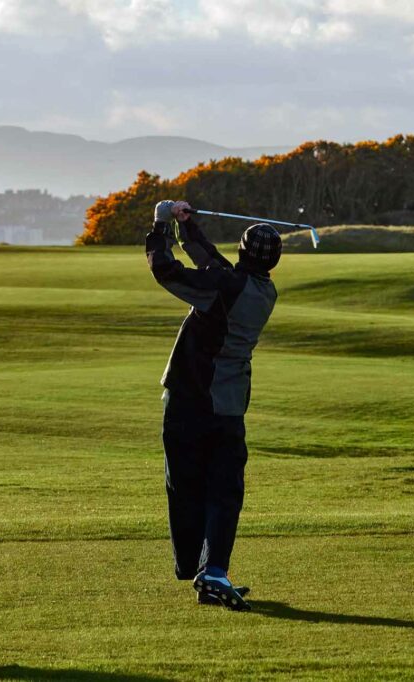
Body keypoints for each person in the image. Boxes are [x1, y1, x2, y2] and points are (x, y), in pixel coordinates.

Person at [145, 199, 281, 611]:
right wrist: (189, 227)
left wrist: (161, 224)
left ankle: (197, 568)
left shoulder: (223, 287)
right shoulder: (261, 289)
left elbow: (165, 270)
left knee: (185, 484)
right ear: (274, 261)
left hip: (190, 400)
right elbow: (213, 264)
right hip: (229, 406)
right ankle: (213, 571)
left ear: (241, 251)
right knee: (224, 490)